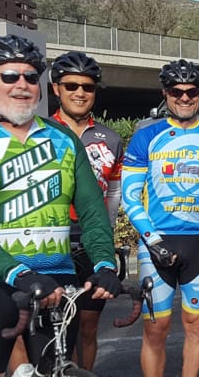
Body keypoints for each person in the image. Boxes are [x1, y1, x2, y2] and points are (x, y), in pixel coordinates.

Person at [0, 35, 122, 377]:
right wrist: (18, 273)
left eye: (31, 77)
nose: (22, 85)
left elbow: (93, 210)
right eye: (9, 76)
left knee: (53, 370)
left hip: (55, 275)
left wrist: (105, 263)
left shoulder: (62, 139)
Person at [122, 58, 199, 377]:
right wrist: (152, 240)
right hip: (157, 242)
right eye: (176, 91)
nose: (184, 97)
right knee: (157, 328)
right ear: (164, 93)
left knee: (196, 325)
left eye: (191, 91)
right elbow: (129, 196)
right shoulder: (145, 136)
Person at [47, 51, 123, 371]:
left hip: (92, 241)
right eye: (71, 85)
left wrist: (106, 239)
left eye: (88, 87)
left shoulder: (110, 138)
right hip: (50, 238)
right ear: (56, 89)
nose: (80, 92)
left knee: (88, 327)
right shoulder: (40, 132)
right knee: (52, 328)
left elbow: (114, 194)